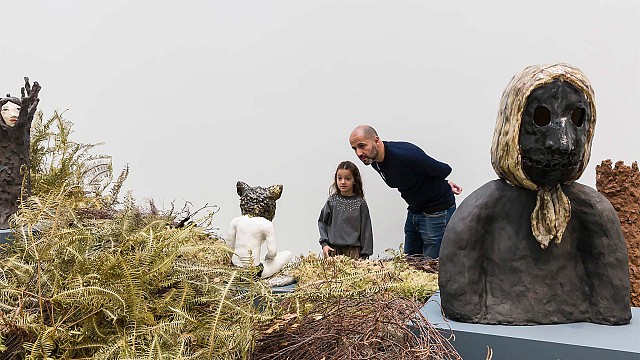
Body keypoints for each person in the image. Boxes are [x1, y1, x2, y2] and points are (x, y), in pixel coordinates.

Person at [349, 125, 462, 259]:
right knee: (411, 261)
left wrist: (443, 183)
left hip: (436, 212)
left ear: (376, 140)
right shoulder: (374, 161)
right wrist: (444, 183)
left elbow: (443, 169)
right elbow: (410, 177)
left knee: (432, 265)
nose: (359, 153)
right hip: (415, 210)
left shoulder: (405, 154)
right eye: (354, 149)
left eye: (362, 146)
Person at [318, 160, 373, 260]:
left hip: (354, 253)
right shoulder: (332, 202)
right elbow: (322, 222)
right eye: (339, 178)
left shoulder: (360, 204)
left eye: (347, 179)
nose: (343, 182)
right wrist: (324, 244)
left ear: (354, 180)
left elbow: (366, 230)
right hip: (332, 251)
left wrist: (365, 254)